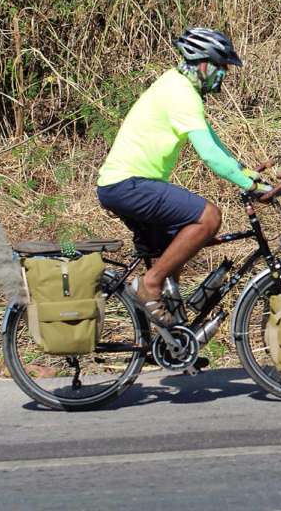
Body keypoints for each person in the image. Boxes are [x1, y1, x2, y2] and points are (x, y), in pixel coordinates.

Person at [96, 27, 270, 326]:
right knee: (209, 217)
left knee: (174, 250)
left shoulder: (177, 87)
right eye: (221, 68)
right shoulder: (181, 93)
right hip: (129, 185)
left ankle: (173, 341)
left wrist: (249, 173)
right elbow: (210, 156)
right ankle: (148, 285)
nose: (224, 76)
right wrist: (250, 186)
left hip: (128, 185)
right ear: (203, 64)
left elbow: (216, 145)